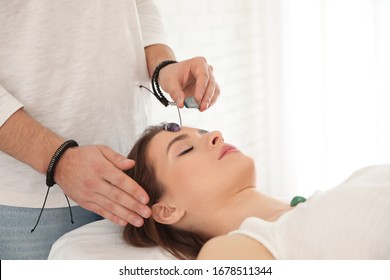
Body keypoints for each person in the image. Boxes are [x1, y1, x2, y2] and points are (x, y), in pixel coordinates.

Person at [0, 1, 219, 260]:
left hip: (130, 185)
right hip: (34, 199)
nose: (218, 137)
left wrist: (163, 66)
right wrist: (57, 160)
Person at [123, 123, 390, 260]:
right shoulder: (227, 253)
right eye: (185, 149)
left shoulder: (328, 196)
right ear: (167, 210)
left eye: (203, 131)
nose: (216, 134)